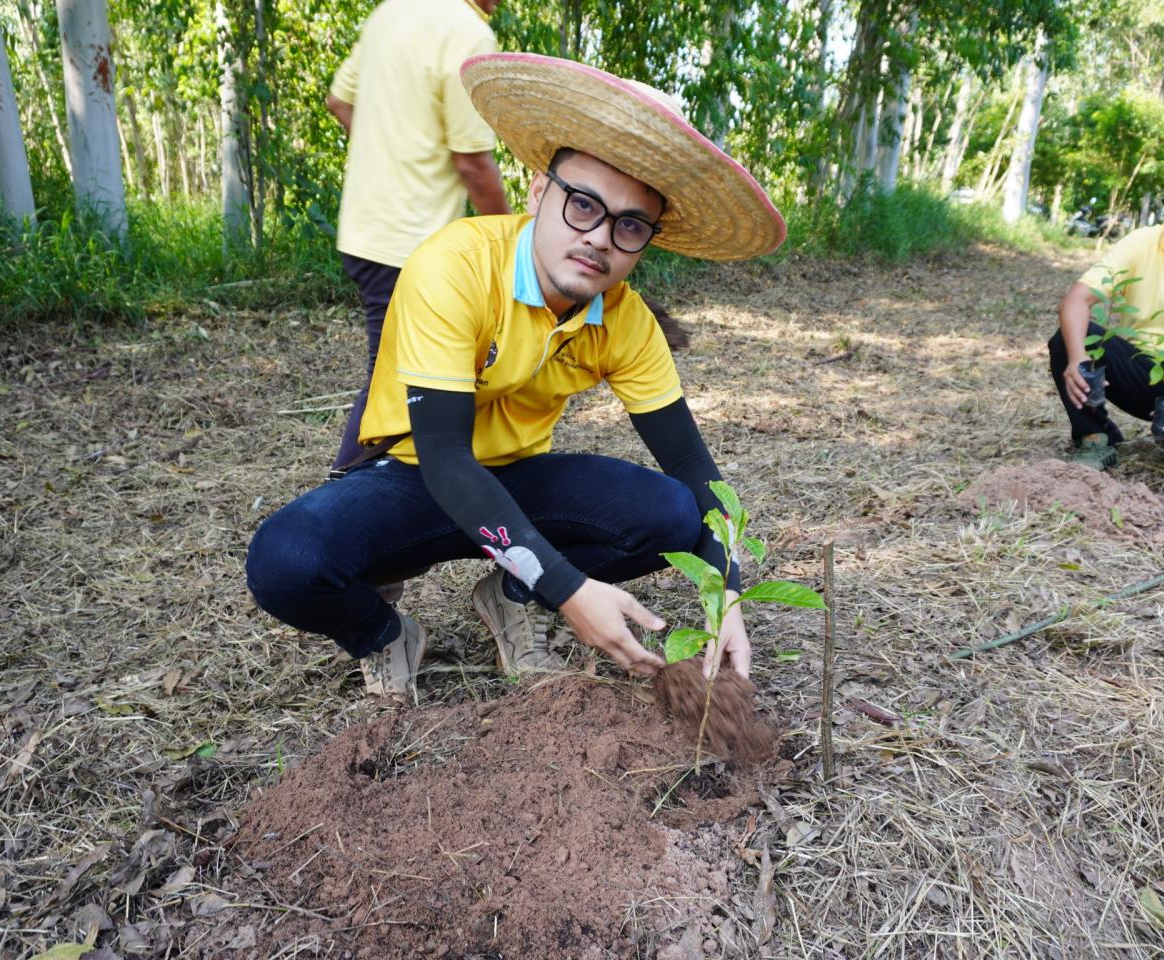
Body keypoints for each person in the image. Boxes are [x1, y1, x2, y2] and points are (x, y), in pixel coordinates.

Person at [247, 53, 786, 700]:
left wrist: (728, 593)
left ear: (648, 239)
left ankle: (511, 593)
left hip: (518, 477)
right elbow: (447, 461)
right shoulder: (455, 267)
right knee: (285, 562)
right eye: (583, 204)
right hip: (413, 477)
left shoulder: (627, 320)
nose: (600, 238)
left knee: (673, 515)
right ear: (537, 191)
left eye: (630, 224)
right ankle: (384, 633)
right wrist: (570, 589)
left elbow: (696, 470)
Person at [324, 0, 510, 476]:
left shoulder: (392, 11)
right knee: (396, 382)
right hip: (409, 241)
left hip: (365, 228)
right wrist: (511, 244)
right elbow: (473, 163)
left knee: (413, 372)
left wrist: (390, 157)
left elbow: (339, 102)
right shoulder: (467, 33)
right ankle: (342, 488)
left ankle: (408, 480)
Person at [1050, 158, 1164, 470]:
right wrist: (1077, 360)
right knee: (1072, 337)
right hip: (1144, 375)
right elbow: (1076, 301)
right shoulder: (1144, 242)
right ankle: (1095, 437)